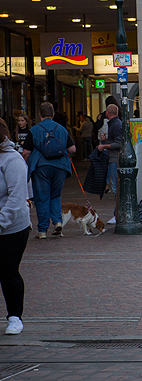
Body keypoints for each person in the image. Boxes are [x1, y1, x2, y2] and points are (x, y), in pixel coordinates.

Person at [21, 102, 76, 239]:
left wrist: (26, 165)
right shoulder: (62, 129)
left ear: (40, 115)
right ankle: (57, 221)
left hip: (41, 166)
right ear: (53, 114)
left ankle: (43, 230)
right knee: (55, 195)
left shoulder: (34, 130)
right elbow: (72, 149)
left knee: (41, 198)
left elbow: (26, 152)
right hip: (60, 167)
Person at [0, 118, 31, 335]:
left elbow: (17, 197)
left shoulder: (13, 161)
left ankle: (14, 317)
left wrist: (1, 221)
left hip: (13, 227)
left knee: (8, 271)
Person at [97, 104, 123, 197]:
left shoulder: (115, 124)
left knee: (116, 186)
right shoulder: (116, 123)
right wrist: (106, 140)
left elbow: (119, 143)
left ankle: (118, 210)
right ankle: (117, 209)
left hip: (115, 158)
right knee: (115, 185)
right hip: (114, 158)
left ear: (107, 113)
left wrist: (104, 146)